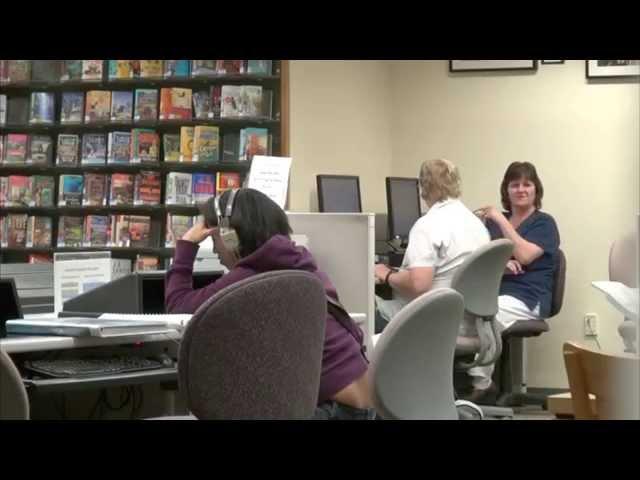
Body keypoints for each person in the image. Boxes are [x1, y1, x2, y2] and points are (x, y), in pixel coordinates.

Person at [165, 187, 374, 420]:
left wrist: (186, 246)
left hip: (330, 412)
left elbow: (178, 307)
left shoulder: (251, 278)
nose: (214, 248)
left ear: (230, 236)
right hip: (365, 408)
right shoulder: (302, 265)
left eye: (215, 239)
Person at [466, 161, 560, 403]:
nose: (521, 189)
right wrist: (500, 265)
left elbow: (526, 255)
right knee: (462, 310)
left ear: (535, 190)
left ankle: (480, 384)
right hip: (494, 292)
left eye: (527, 184)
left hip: (529, 298)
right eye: (514, 184)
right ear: (506, 190)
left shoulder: (544, 223)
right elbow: (478, 259)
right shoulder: (490, 225)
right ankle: (462, 380)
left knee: (488, 314)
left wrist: (500, 219)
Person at [374, 158, 490, 334]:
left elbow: (418, 284)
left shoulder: (428, 224)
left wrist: (386, 274)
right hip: (471, 325)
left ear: (424, 187)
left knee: (362, 314)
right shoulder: (477, 224)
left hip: (431, 322)